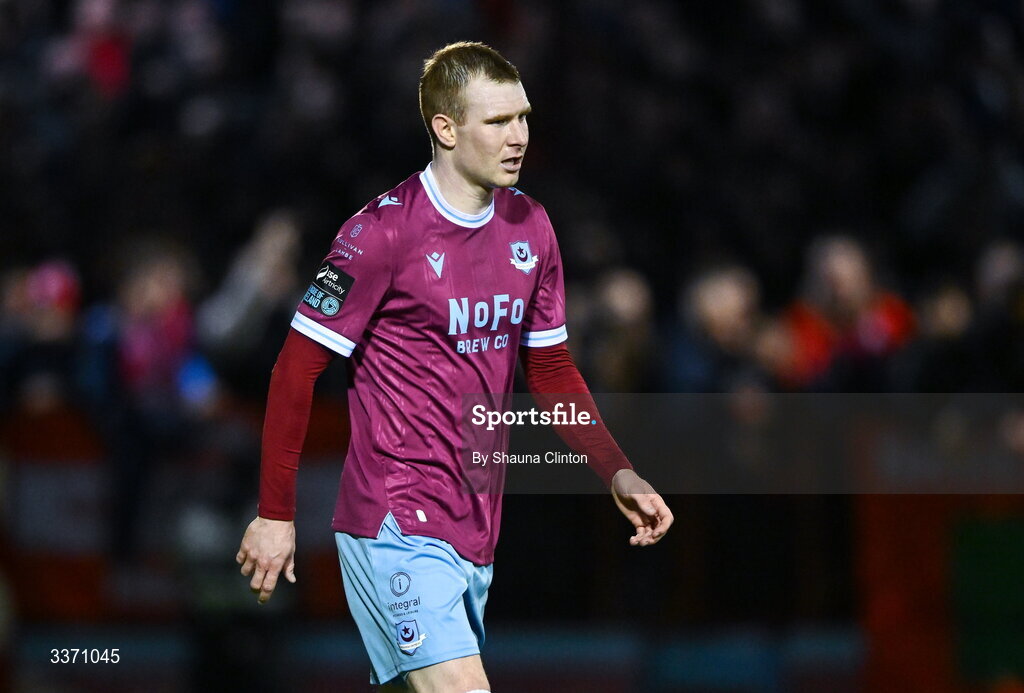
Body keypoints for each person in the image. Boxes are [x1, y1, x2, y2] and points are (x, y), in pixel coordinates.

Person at [235, 41, 673, 693]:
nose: (518, 136)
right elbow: (295, 369)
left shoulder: (532, 227)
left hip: (473, 527)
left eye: (522, 117)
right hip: (395, 520)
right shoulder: (379, 235)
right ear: (445, 127)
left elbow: (550, 370)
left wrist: (616, 466)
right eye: (497, 122)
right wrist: (276, 512)